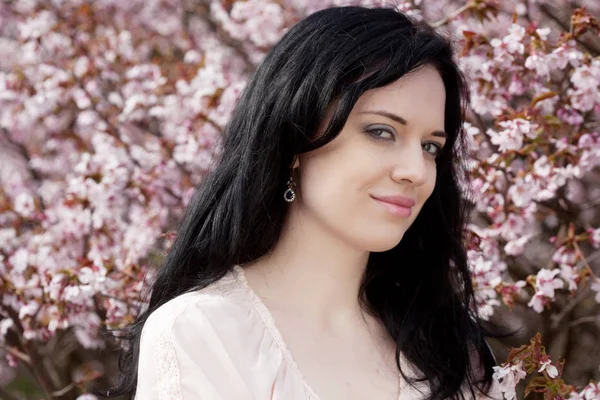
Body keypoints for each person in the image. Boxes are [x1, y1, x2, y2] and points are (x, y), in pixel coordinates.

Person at [106, 5, 510, 400]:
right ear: (295, 141)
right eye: (381, 132)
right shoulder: (206, 334)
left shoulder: (453, 350)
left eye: (430, 147)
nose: (416, 171)